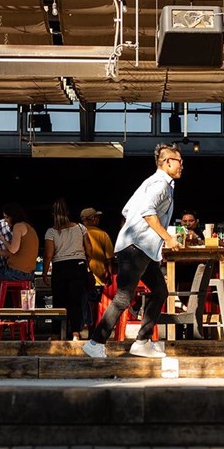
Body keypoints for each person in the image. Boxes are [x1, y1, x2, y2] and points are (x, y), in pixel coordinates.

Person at [83, 143, 183, 359]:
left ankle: (142, 342)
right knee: (123, 297)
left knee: (160, 292)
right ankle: (95, 342)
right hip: (136, 248)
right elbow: (147, 212)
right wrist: (167, 238)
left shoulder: (149, 183)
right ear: (167, 162)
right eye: (179, 161)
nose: (182, 166)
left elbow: (127, 210)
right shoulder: (161, 184)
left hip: (141, 248)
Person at [43, 198, 89, 340]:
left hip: (61, 267)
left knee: (59, 302)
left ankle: (56, 334)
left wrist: (45, 272)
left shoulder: (51, 232)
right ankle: (76, 333)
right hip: (78, 266)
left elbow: (48, 254)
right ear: (68, 212)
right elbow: (90, 249)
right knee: (75, 301)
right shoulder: (81, 228)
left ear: (52, 214)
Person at [81, 207, 114, 324]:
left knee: (79, 303)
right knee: (93, 305)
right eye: (96, 217)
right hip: (97, 278)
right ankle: (91, 332)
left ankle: (77, 331)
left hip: (79, 274)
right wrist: (109, 274)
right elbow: (110, 258)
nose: (98, 219)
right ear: (92, 219)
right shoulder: (102, 234)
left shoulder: (77, 232)